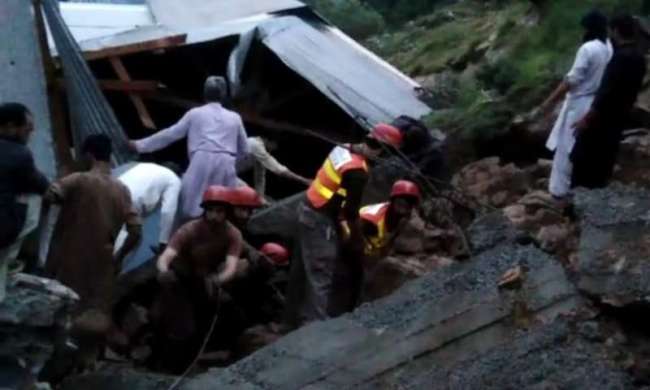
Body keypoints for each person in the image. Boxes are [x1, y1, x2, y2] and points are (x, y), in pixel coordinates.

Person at [284, 123, 403, 328]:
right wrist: (356, 237)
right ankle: (314, 326)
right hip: (319, 218)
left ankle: (289, 321)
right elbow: (350, 212)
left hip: (307, 208)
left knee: (301, 270)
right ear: (382, 150)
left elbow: (337, 194)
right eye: (386, 155)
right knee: (321, 271)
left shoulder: (344, 148)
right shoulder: (357, 172)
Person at [44, 134, 142, 366]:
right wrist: (118, 257)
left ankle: (55, 363)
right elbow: (136, 230)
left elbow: (51, 194)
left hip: (66, 260)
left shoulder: (78, 179)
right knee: (92, 316)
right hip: (102, 265)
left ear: (88, 155)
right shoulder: (122, 189)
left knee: (58, 312)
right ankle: (85, 365)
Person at [129, 76, 248, 225]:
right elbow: (244, 149)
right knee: (221, 209)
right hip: (226, 162)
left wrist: (139, 145)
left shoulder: (195, 113)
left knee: (189, 208)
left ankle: (175, 242)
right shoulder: (235, 118)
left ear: (204, 94)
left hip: (201, 160)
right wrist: (230, 162)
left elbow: (170, 134)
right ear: (223, 96)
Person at [150, 185, 243, 373]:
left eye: (219, 211)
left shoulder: (233, 234)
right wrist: (164, 271)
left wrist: (217, 280)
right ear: (204, 210)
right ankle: (167, 366)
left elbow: (231, 266)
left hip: (205, 281)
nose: (214, 216)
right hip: (180, 281)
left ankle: (219, 355)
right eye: (210, 210)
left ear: (226, 212)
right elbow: (166, 257)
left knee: (230, 313)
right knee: (180, 326)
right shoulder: (189, 230)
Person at [539, 10, 612, 198]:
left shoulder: (588, 48)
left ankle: (560, 191)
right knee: (584, 147)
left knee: (567, 147)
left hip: (578, 104)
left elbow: (571, 80)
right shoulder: (609, 46)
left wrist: (547, 102)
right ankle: (585, 188)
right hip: (595, 103)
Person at [572, 14, 647, 188]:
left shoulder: (619, 58)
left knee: (583, 160)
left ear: (615, 31)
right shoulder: (639, 58)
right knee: (604, 161)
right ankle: (596, 198)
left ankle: (577, 203)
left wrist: (586, 118)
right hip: (620, 118)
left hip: (602, 119)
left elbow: (606, 92)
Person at [330, 180, 421, 316]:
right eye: (402, 199)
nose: (405, 204)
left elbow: (389, 241)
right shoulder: (371, 219)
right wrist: (365, 256)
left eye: (409, 201)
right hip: (348, 248)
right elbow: (351, 236)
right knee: (347, 286)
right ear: (393, 199)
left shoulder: (403, 219)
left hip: (367, 252)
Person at [0, 103, 49, 302]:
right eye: (27, 129)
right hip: (2, 231)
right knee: (36, 198)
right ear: (11, 126)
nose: (30, 135)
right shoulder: (19, 153)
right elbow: (42, 185)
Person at [113, 161, 182, 266]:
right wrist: (163, 243)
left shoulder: (145, 165)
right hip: (129, 203)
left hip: (111, 191)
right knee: (133, 240)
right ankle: (113, 267)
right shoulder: (174, 179)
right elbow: (168, 211)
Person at [237, 135, 310, 198]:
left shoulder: (259, 155)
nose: (269, 151)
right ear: (267, 140)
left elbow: (259, 177)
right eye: (269, 149)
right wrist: (304, 180)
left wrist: (260, 198)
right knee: (244, 189)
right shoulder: (254, 144)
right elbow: (278, 169)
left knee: (255, 196)